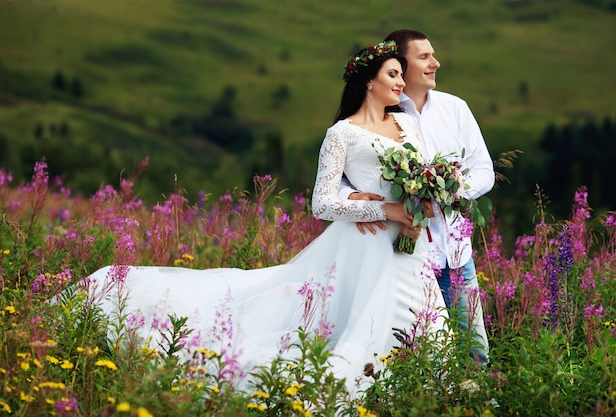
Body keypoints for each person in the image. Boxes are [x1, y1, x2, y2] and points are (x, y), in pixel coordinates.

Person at [85, 40, 448, 393]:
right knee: (364, 326)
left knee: (424, 320)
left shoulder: (408, 126)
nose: (402, 83)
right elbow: (320, 203)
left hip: (408, 242)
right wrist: (384, 209)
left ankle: (429, 389)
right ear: (369, 81)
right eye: (393, 75)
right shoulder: (342, 134)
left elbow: (422, 173)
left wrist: (424, 199)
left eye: (401, 75)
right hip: (368, 244)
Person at [339, 29, 495, 367]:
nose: (435, 63)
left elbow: (484, 170)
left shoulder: (455, 108)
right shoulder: (381, 115)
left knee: (475, 353)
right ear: (399, 65)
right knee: (409, 357)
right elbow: (341, 177)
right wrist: (357, 198)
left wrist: (448, 190)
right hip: (401, 257)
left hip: (455, 255)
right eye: (424, 57)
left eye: (433, 55)